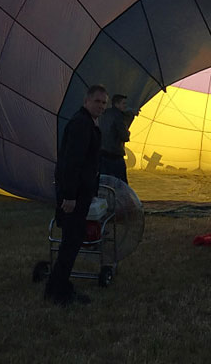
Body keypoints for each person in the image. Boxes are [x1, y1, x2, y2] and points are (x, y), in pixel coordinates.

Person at [45, 84, 107, 305]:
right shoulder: (81, 124)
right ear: (86, 101)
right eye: (97, 101)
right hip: (74, 195)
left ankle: (55, 286)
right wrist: (70, 196)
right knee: (71, 242)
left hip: (80, 192)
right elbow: (71, 162)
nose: (101, 106)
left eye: (104, 103)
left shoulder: (87, 123)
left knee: (71, 241)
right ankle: (60, 292)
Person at [99, 93, 135, 183]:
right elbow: (125, 136)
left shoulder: (104, 113)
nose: (125, 106)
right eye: (123, 103)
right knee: (121, 183)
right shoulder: (119, 116)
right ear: (117, 104)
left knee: (104, 182)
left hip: (102, 155)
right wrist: (128, 131)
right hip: (115, 155)